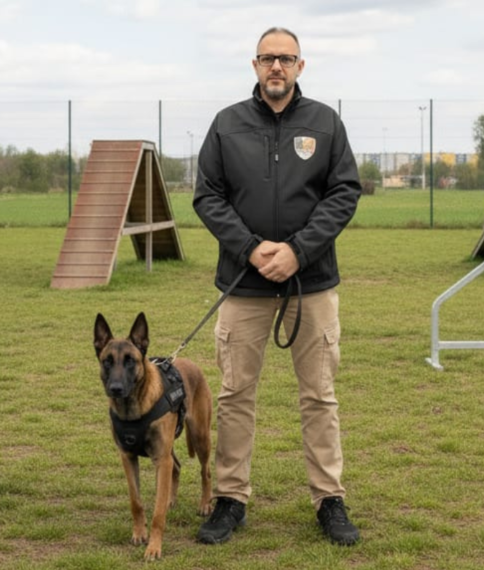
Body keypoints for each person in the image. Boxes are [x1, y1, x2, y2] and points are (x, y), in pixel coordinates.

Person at [192, 27, 362, 546]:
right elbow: (207, 196)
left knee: (319, 396)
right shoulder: (226, 124)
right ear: (254, 64)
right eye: (268, 58)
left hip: (310, 284)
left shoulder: (326, 123)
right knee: (235, 394)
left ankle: (329, 501)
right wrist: (251, 248)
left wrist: (296, 251)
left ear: (301, 67)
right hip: (243, 285)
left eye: (286, 59)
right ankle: (229, 500)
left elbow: (344, 192)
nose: (276, 67)